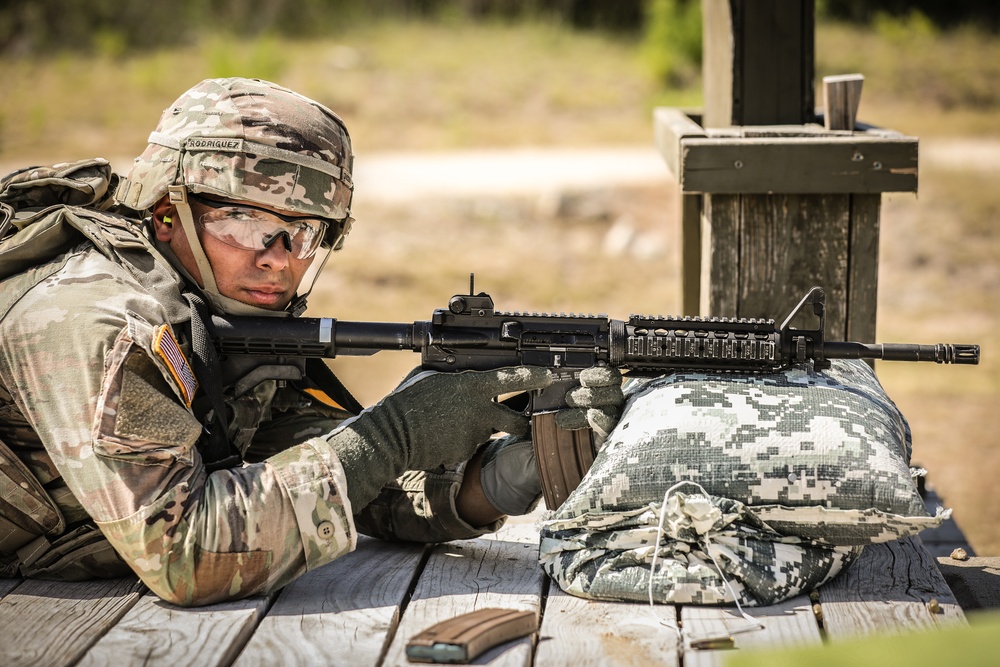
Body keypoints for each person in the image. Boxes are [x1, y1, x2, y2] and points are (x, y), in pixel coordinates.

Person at [0, 77, 622, 606]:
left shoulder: (214, 314)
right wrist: (392, 434)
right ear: (167, 213)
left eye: (304, 233)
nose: (279, 261)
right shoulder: (91, 321)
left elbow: (334, 479)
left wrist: (505, 477)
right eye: (245, 223)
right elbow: (187, 555)